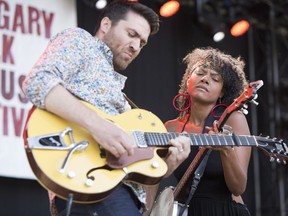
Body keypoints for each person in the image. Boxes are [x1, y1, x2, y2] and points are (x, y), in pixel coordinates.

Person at [22, 0, 190, 215]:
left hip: (114, 189)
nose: (136, 46)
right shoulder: (80, 40)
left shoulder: (120, 95)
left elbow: (134, 168)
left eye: (142, 42)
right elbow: (38, 81)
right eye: (131, 34)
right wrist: (99, 126)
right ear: (105, 25)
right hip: (92, 187)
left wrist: (166, 166)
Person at [164, 47, 251, 216]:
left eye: (215, 79)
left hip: (226, 209)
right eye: (200, 73)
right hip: (187, 211)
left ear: (222, 92)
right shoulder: (170, 128)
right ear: (188, 79)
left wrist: (227, 151)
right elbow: (152, 177)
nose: (205, 79)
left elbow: (238, 187)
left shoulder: (233, 120)